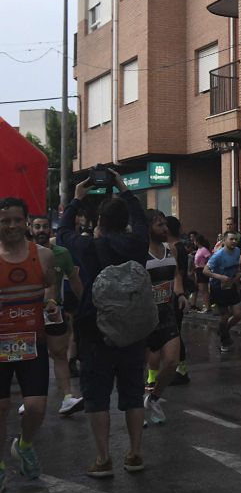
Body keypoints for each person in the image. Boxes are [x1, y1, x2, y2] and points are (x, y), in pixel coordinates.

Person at [57, 172, 149, 477]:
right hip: (133, 330)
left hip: (94, 330)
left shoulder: (86, 247)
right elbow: (141, 221)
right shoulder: (137, 242)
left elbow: (63, 234)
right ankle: (134, 454)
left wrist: (76, 198)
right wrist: (125, 190)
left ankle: (103, 458)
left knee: (97, 395)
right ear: (124, 220)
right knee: (133, 392)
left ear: (98, 221)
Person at [0, 198, 58, 492]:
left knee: (36, 407)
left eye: (15, 220)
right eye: (4, 220)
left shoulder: (44, 255)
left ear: (25, 222)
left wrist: (49, 300)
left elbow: (50, 284)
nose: (10, 225)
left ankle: (24, 445)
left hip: (32, 343)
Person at [28, 216, 85, 417]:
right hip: (27, 314)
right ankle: (29, 399)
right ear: (31, 229)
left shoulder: (62, 254)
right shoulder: (22, 253)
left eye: (45, 226)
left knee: (60, 354)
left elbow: (75, 280)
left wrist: (86, 305)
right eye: (37, 226)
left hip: (54, 312)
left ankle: (68, 398)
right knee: (31, 357)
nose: (41, 230)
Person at [142, 210, 185, 427]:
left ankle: (153, 399)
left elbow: (176, 274)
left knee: (171, 361)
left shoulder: (170, 249)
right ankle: (136, 406)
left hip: (167, 312)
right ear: (148, 228)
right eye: (160, 225)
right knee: (141, 364)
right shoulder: (140, 252)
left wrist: (180, 294)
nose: (165, 229)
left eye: (165, 225)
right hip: (144, 316)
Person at [205, 232, 241, 353]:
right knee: (225, 315)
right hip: (218, 287)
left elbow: (237, 266)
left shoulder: (237, 251)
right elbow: (205, 271)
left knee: (238, 314)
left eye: (235, 239)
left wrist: (238, 273)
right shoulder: (218, 255)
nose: (234, 241)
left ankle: (223, 330)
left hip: (231, 285)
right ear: (224, 241)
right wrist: (220, 277)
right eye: (231, 239)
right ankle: (224, 341)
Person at [164, 216, 191, 386]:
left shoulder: (175, 248)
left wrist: (179, 293)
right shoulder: (175, 246)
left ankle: (181, 369)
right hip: (175, 292)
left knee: (175, 331)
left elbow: (178, 273)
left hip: (175, 293)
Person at [193, 236, 212, 313]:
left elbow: (209, 258)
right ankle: (206, 305)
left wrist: (206, 265)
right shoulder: (198, 249)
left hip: (202, 269)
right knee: (202, 289)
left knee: (204, 289)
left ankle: (207, 307)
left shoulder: (204, 249)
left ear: (197, 241)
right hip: (198, 269)